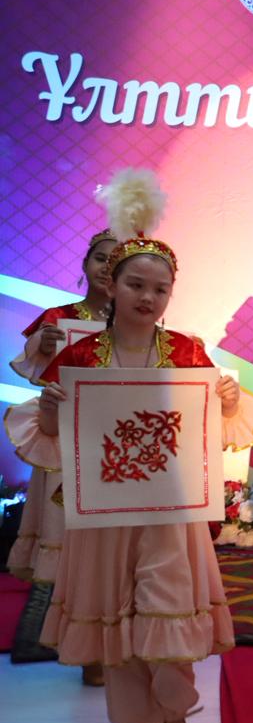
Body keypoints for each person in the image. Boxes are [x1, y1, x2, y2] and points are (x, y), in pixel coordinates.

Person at [7, 169, 253, 723]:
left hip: (168, 513)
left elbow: (209, 429)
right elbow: (53, 440)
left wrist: (228, 403)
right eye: (136, 284)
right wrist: (52, 412)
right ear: (112, 285)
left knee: (168, 616)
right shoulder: (78, 357)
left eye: (160, 288)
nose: (148, 297)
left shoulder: (187, 352)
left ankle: (174, 713)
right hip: (103, 517)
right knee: (117, 629)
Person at [6, 226, 116, 688]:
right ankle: (67, 639)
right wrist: (45, 348)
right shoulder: (59, 319)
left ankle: (99, 645)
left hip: (114, 444)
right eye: (101, 258)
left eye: (117, 260)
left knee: (108, 549)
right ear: (85, 265)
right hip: (63, 441)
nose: (107, 268)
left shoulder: (138, 322)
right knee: (66, 541)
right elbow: (36, 373)